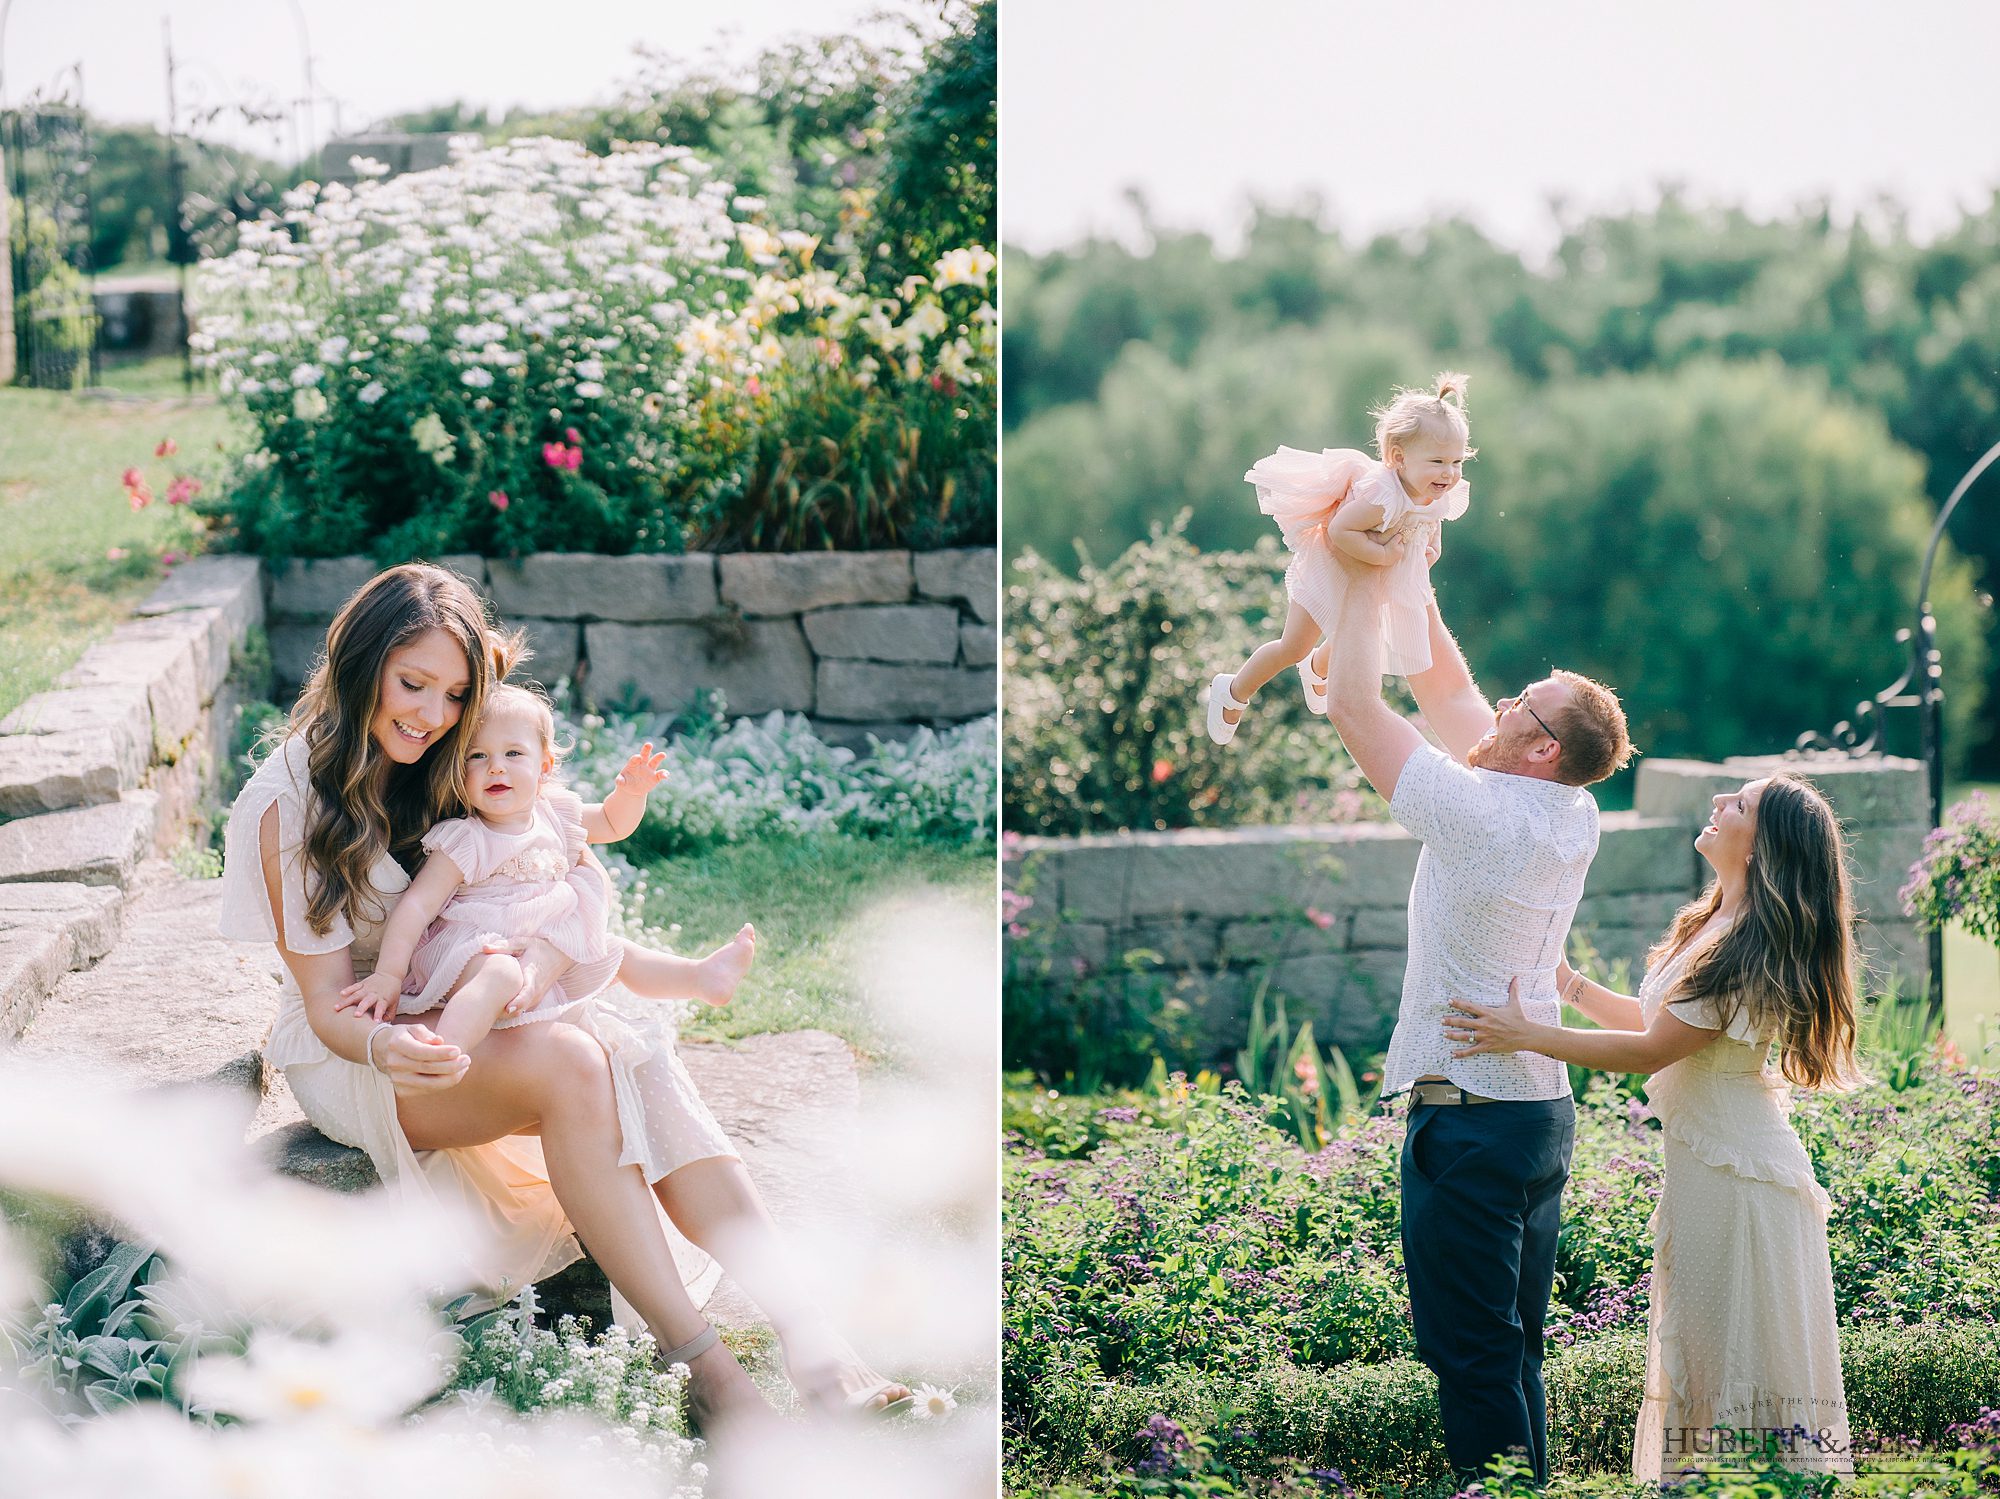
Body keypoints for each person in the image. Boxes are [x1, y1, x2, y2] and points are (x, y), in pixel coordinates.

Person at [217, 563, 908, 1435]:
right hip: (359, 1045)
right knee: (579, 1061)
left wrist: (549, 948)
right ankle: (712, 1371)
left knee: (632, 1045)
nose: (431, 713)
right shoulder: (288, 803)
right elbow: (325, 1006)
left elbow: (556, 859)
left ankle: (813, 1341)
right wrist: (386, 1043)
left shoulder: (454, 754)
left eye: (453, 692)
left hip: (471, 997)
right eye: (411, 683)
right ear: (360, 665)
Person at [1316, 549, 1634, 1487]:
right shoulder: (1570, 810)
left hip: (1472, 1124)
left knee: (1473, 1358)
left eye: (1521, 707)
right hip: (1537, 1116)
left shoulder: (1483, 816)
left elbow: (1352, 705)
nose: (1498, 705)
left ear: (1541, 746)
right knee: (1514, 1350)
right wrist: (1407, 556)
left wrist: (1360, 581)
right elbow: (1444, 680)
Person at [1443, 773, 1861, 1482]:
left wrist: (1529, 1032)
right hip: (1712, 1174)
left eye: (1739, 804)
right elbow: (1659, 1025)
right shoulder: (1717, 923)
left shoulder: (1746, 942)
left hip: (1742, 1181)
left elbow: (1648, 1051)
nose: (1718, 804)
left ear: (1766, 845)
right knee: (1706, 1349)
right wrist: (1567, 984)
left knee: (1739, 1359)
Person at [337, 682, 755, 1055]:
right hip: (476, 949)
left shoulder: (555, 813)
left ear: (545, 767)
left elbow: (612, 823)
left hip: (540, 947)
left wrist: (631, 793)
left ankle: (700, 978)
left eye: (513, 753)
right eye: (477, 756)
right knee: (500, 972)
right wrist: (389, 975)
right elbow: (416, 906)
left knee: (616, 952)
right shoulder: (465, 837)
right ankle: (448, 1052)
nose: (495, 766)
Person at [1206, 372, 1473, 746]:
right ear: (1398, 458)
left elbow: (1433, 515)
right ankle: (1233, 691)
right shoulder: (1381, 495)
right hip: (1333, 567)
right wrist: (1381, 554)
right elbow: (1339, 531)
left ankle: (1317, 669)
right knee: (1293, 645)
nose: (1449, 473)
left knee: (1369, 632)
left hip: (1378, 569)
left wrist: (1430, 545)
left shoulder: (1437, 487)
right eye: (1438, 461)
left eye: (1457, 461)